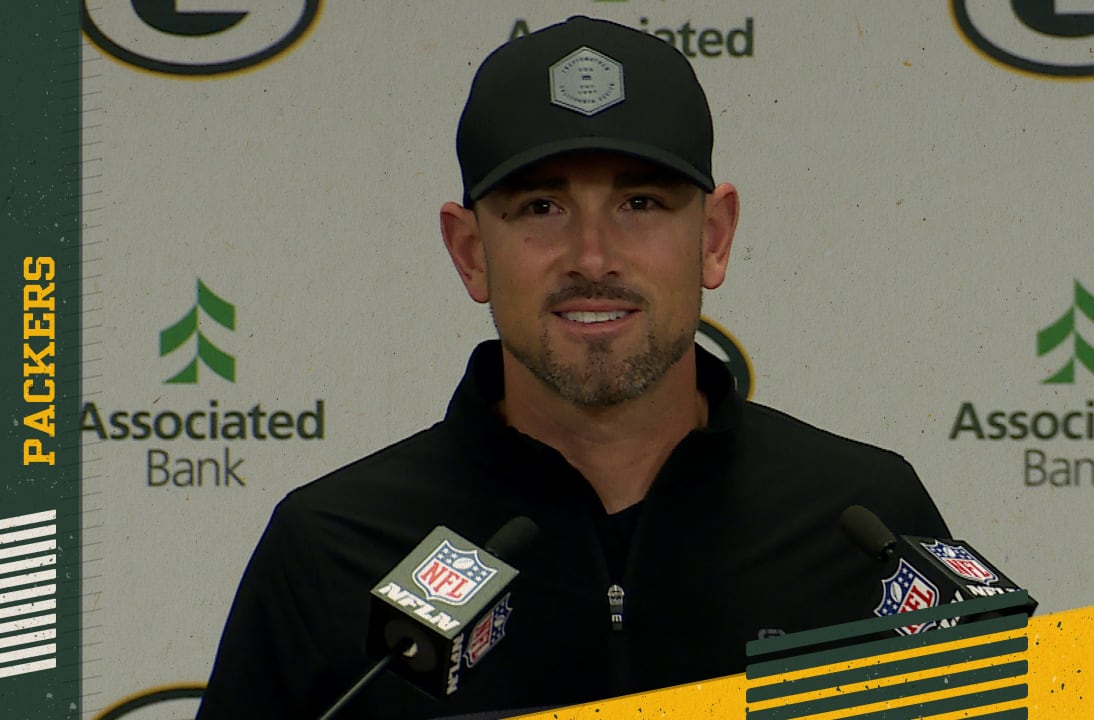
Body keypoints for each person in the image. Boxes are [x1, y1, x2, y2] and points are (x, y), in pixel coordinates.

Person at [196, 15, 949, 719]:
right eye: (541, 209)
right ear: (469, 253)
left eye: (642, 203)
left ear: (714, 238)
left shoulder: (868, 526)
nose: (593, 258)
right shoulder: (332, 547)